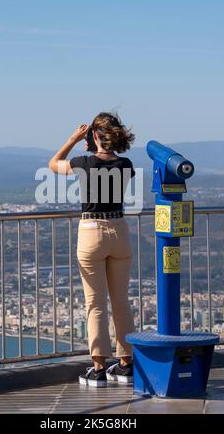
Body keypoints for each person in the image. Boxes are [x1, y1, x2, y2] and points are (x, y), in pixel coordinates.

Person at [48, 112, 136, 387]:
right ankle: (126, 363)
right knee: (121, 301)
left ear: (94, 136)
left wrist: (74, 139)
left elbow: (53, 165)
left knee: (95, 303)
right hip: (119, 230)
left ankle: (98, 368)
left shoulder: (83, 162)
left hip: (91, 232)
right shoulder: (126, 164)